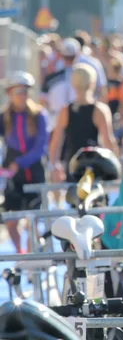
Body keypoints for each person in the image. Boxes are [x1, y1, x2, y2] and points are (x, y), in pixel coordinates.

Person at [0, 72, 48, 254]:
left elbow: (40, 147)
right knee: (11, 221)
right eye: (18, 91)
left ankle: (32, 259)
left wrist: (20, 162)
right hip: (14, 177)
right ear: (10, 93)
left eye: (26, 91)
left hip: (34, 172)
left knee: (33, 220)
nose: (23, 95)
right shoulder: (4, 117)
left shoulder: (38, 115)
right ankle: (21, 252)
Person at [48, 63, 119, 183]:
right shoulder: (100, 110)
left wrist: (54, 165)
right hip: (95, 167)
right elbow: (108, 141)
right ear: (93, 83)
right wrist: (116, 167)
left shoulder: (65, 111)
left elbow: (55, 143)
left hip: (72, 166)